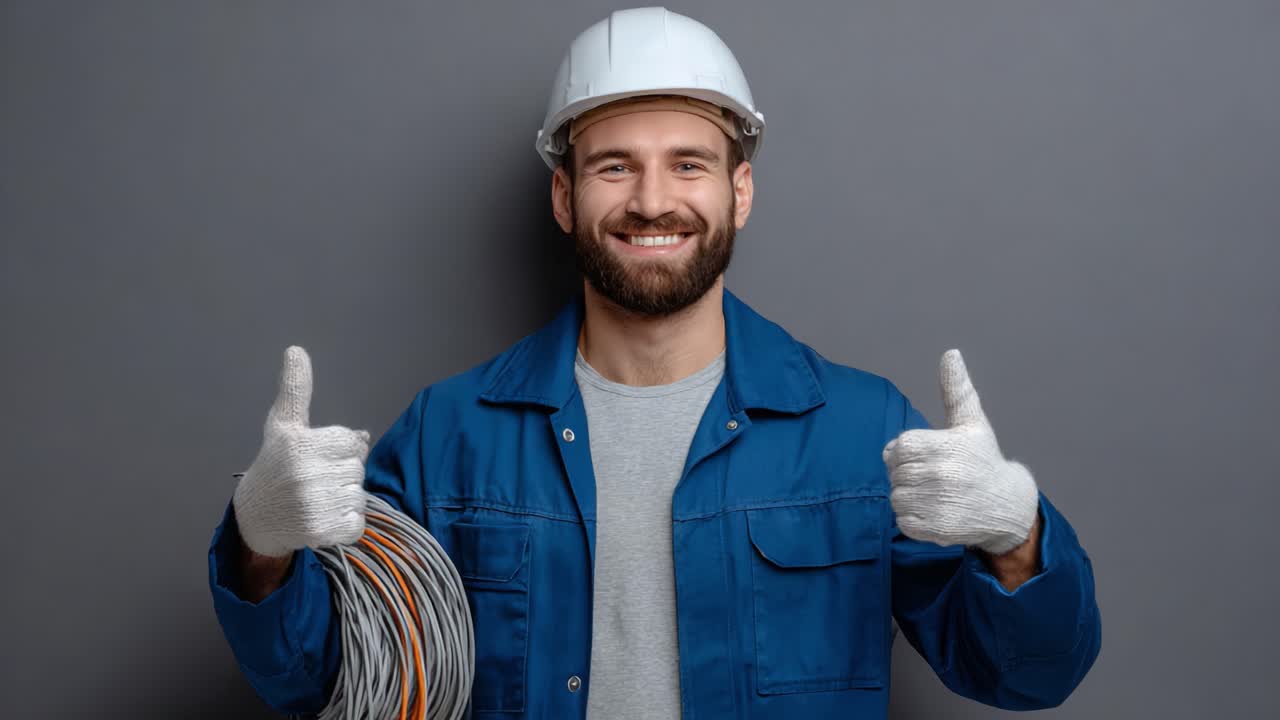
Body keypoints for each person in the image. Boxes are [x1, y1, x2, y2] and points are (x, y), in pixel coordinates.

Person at [208, 6, 1101, 718]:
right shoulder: (451, 435)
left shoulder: (864, 433)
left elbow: (1026, 676)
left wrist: (1015, 536)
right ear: (564, 196)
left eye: (688, 164)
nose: (652, 201)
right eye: (613, 168)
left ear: (738, 191)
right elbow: (320, 681)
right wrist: (262, 549)